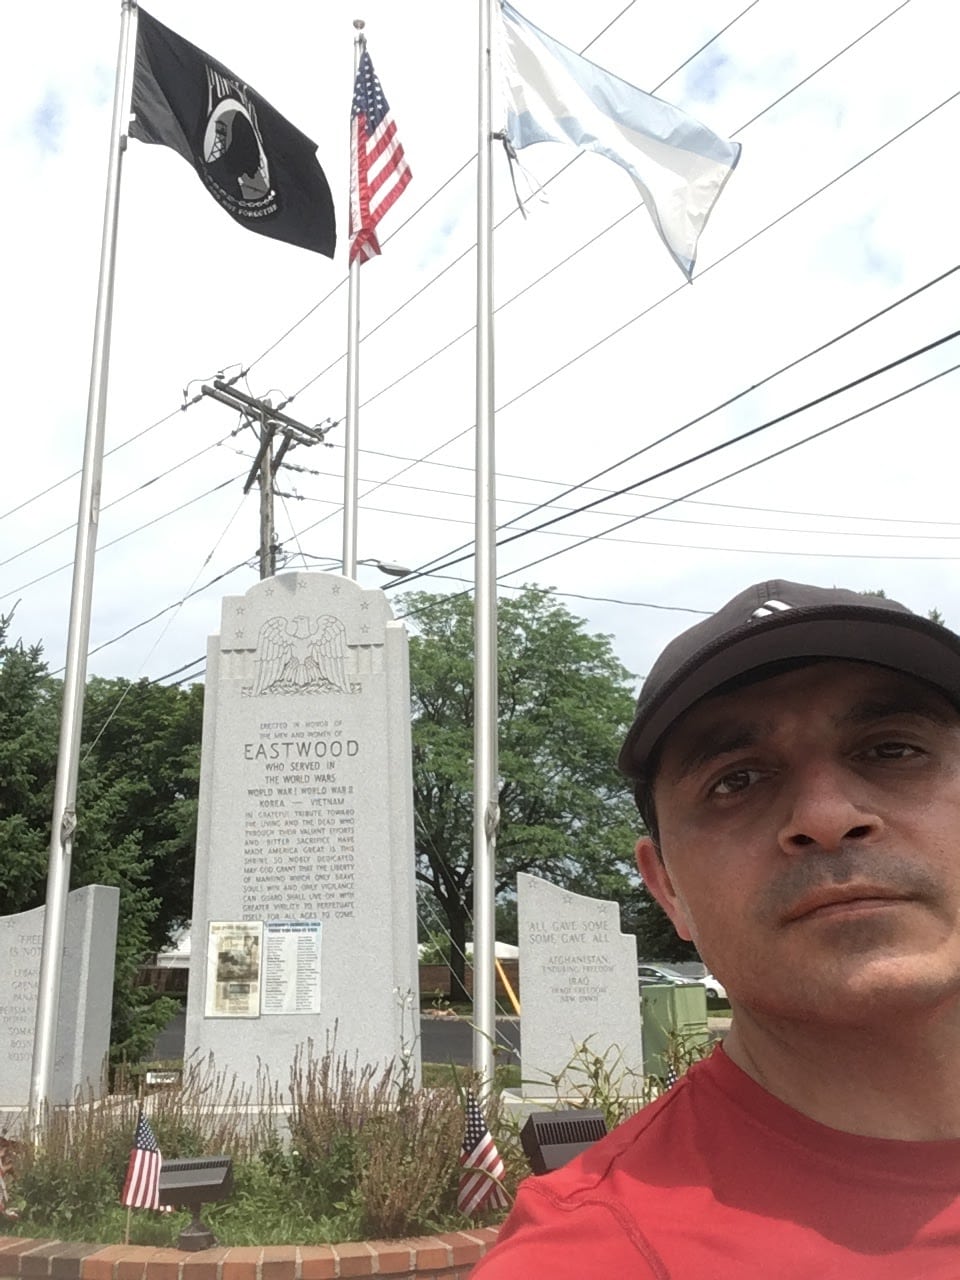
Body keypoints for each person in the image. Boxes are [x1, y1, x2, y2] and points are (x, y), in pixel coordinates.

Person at [473, 580, 960, 1278]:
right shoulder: (590, 1257)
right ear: (667, 886)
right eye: (737, 780)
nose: (825, 815)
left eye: (891, 750)